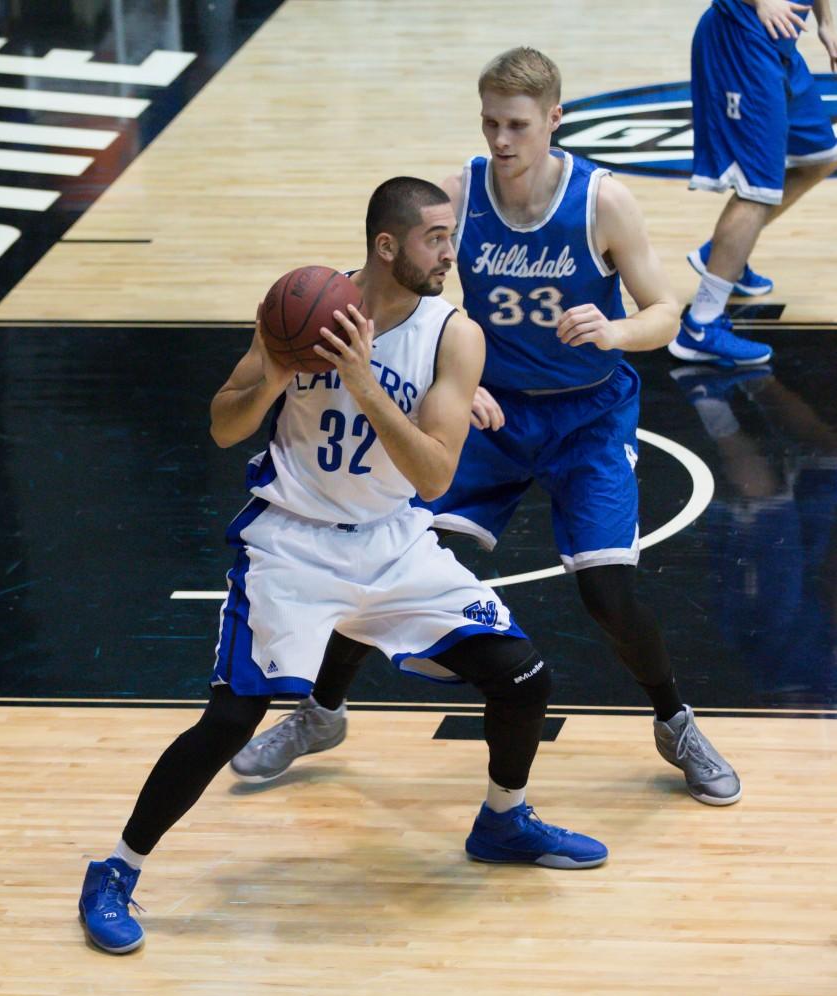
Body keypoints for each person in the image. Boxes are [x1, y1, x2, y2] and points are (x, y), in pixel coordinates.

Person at [77, 176, 608, 956]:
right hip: (291, 543)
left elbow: (431, 477)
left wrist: (361, 381)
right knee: (230, 717)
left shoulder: (452, 335)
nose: (449, 251)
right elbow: (225, 427)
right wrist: (276, 378)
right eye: (434, 236)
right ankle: (115, 870)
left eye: (450, 233)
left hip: (391, 542)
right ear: (386, 245)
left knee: (523, 676)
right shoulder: (301, 303)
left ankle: (503, 819)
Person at [232, 47, 743, 809]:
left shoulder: (601, 201)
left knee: (607, 592)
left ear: (554, 121)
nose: (500, 140)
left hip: (587, 417)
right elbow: (387, 275)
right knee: (389, 558)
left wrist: (613, 328)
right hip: (493, 410)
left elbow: (664, 312)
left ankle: (674, 720)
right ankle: (321, 712)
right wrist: (447, 377)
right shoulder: (456, 194)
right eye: (489, 123)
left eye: (516, 125)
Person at [670, 0, 837, 366]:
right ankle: (701, 325)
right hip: (740, 44)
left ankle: (722, 252)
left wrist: (827, 23)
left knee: (821, 158)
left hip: (780, 42)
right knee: (757, 187)